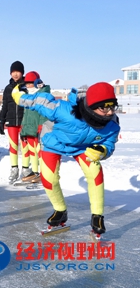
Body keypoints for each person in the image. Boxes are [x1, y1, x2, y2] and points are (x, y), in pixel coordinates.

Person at [12, 82, 120, 238]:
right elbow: (40, 102)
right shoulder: (64, 111)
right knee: (48, 178)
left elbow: (109, 143)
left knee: (95, 172)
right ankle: (60, 211)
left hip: (84, 147)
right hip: (54, 143)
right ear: (91, 107)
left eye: (112, 107)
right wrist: (20, 97)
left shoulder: (112, 124)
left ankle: (97, 217)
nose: (110, 113)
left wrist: (102, 151)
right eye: (104, 108)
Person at [0, 61, 30, 183]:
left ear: (22, 73)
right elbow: (5, 105)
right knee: (13, 145)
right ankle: (14, 168)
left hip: (24, 121)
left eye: (18, 72)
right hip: (11, 122)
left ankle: (26, 169)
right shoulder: (8, 88)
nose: (15, 74)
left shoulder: (26, 87)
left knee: (25, 145)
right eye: (13, 72)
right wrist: (1, 120)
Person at [18, 71, 51, 184]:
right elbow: (26, 114)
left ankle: (43, 173)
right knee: (32, 151)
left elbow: (44, 113)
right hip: (29, 127)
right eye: (26, 83)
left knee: (40, 151)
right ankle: (35, 172)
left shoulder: (43, 95)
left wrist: (41, 126)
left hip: (39, 127)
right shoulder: (28, 95)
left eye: (30, 83)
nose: (28, 86)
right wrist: (24, 128)